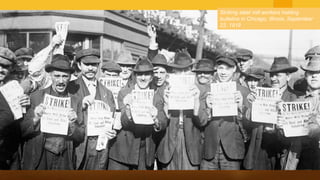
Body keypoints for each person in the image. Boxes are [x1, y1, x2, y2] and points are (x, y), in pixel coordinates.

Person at [20, 54, 85, 170]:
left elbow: (80, 136)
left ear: (70, 77)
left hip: (64, 157)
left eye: (65, 76)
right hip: (40, 156)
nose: (61, 81)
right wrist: (35, 118)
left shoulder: (75, 101)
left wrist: (72, 123)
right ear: (50, 75)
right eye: (57, 76)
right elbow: (22, 131)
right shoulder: (36, 97)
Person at [108, 57, 168, 170]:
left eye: (146, 75)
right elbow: (124, 121)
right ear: (135, 76)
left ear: (151, 78)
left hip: (144, 152)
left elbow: (163, 122)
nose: (143, 78)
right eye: (140, 75)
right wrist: (128, 108)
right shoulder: (125, 93)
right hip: (123, 150)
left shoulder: (156, 96)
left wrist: (156, 119)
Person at [198, 55, 250, 170]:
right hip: (209, 150)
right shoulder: (206, 90)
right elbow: (200, 121)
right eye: (221, 68)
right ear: (216, 69)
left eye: (228, 69)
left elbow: (250, 125)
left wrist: (241, 107)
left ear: (234, 69)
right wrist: (208, 108)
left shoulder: (243, 92)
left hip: (232, 150)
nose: (223, 72)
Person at [68, 48, 116, 170]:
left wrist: (112, 131)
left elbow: (111, 118)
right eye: (86, 64)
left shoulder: (107, 92)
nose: (90, 68)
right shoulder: (70, 88)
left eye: (94, 65)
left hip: (100, 148)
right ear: (79, 65)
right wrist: (81, 106)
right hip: (78, 147)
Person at [156, 51, 203, 170]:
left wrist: (196, 101)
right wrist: (166, 104)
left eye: (186, 70)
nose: (182, 74)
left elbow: (203, 121)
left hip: (190, 144)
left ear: (191, 70)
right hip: (169, 142)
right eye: (178, 70)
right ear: (174, 72)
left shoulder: (199, 90)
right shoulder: (163, 90)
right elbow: (159, 122)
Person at [281, 56, 320, 170]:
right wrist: (281, 126)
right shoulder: (297, 100)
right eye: (310, 72)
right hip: (296, 158)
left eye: (318, 72)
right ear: (306, 75)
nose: (314, 76)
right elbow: (285, 136)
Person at [264, 57, 302, 170]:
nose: (274, 79)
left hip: (285, 151)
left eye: (278, 75)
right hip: (265, 152)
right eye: (272, 75)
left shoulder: (296, 97)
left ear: (288, 77)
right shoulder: (262, 95)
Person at [241, 67, 280, 170]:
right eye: (250, 80)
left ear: (262, 81)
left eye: (256, 80)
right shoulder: (244, 97)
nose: (252, 84)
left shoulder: (271, 96)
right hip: (249, 146)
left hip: (265, 146)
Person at [0, 47, 30, 169]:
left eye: (5, 66)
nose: (0, 69)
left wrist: (26, 104)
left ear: (11, 68)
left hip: (11, 148)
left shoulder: (15, 88)